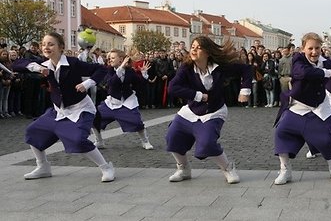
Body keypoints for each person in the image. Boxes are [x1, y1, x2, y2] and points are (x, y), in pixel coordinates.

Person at [12, 32, 115, 182]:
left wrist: (87, 83)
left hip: (80, 109)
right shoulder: (43, 64)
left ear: (61, 47)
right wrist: (35, 67)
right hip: (58, 110)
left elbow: (101, 69)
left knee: (78, 140)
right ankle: (43, 166)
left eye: (51, 44)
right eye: (44, 44)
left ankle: (106, 167)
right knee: (32, 132)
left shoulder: (73, 63)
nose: (46, 47)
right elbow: (16, 64)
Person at [165, 35, 251, 184]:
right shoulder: (186, 68)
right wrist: (198, 96)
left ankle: (228, 168)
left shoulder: (220, 67)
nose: (194, 50)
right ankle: (183, 169)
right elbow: (172, 87)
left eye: (199, 48)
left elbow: (246, 69)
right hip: (191, 111)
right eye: (193, 47)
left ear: (208, 52)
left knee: (207, 144)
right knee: (172, 137)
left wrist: (245, 90)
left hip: (214, 111)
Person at [273, 32, 331, 185]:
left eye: (317, 48)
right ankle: (285, 170)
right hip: (298, 106)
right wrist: (326, 73)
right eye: (310, 48)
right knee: (281, 132)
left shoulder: (325, 61)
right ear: (303, 48)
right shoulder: (298, 59)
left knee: (325, 140)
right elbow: (302, 73)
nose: (314, 52)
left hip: (319, 107)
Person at [91, 49, 154, 150]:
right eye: (109, 58)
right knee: (94, 118)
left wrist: (144, 74)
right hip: (111, 102)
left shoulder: (130, 71)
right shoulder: (108, 70)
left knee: (137, 122)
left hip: (126, 102)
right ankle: (99, 142)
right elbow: (111, 83)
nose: (110, 60)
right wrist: (120, 68)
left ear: (121, 59)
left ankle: (145, 141)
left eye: (112, 58)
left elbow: (138, 84)